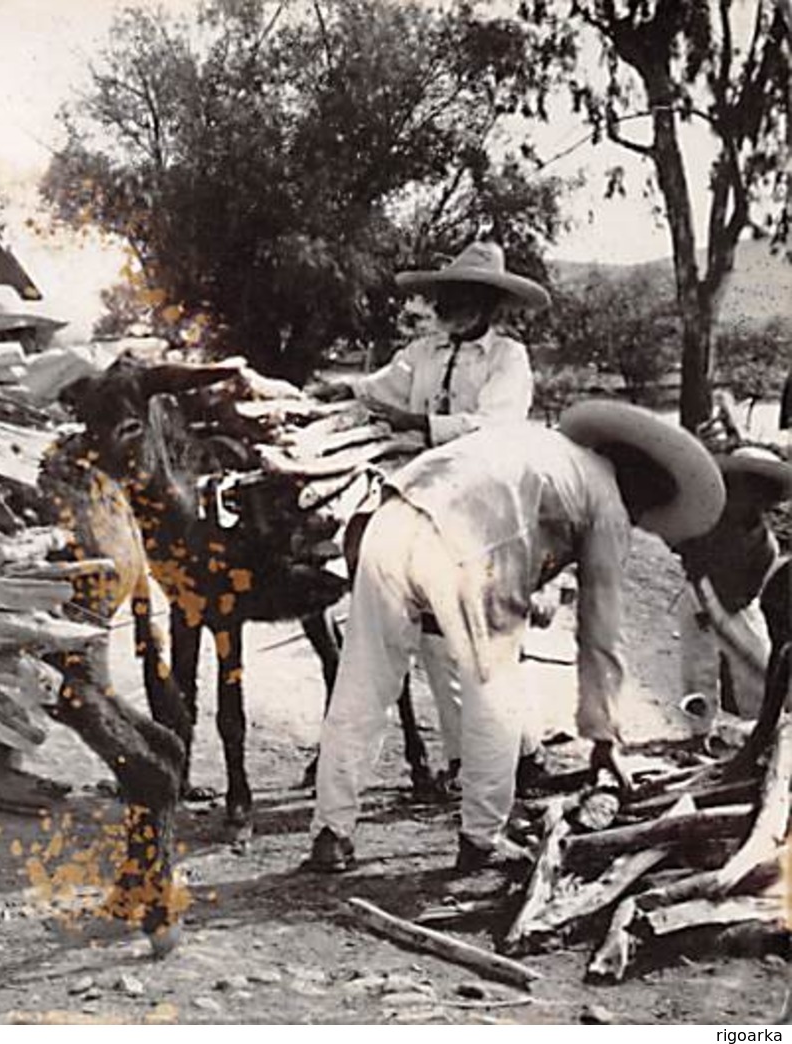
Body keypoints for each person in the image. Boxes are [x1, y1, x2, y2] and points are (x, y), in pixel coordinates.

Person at [306, 401, 725, 874]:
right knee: (496, 692)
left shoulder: (545, 448)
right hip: (471, 544)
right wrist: (604, 737)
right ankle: (481, 838)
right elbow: (601, 629)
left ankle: (331, 832)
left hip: (391, 517)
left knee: (364, 677)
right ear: (640, 493)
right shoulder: (608, 504)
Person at [312, 241, 550, 792]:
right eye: (446, 294)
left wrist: (416, 425)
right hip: (427, 501)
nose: (450, 304)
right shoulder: (423, 353)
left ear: (489, 304)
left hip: (485, 503)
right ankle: (466, 760)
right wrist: (338, 388)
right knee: (436, 636)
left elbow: (492, 425)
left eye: (464, 295)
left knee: (488, 633)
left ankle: (524, 751)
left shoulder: (507, 359)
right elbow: (379, 388)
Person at [0, 284, 73, 814]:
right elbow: (75, 362)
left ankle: (6, 765)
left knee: (22, 649)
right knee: (18, 646)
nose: (30, 343)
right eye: (24, 335)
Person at [674, 447, 792, 722]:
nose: (749, 496)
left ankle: (764, 732)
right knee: (697, 671)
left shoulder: (764, 544)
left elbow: (753, 588)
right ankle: (698, 733)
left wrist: (725, 609)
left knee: (759, 673)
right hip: (698, 596)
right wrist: (702, 597)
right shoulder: (705, 521)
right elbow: (685, 551)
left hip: (737, 606)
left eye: (760, 490)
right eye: (741, 486)